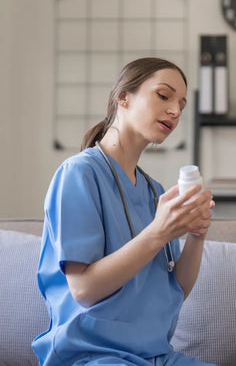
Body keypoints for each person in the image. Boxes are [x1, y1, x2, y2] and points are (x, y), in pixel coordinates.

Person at [32, 58, 216, 366]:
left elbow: (175, 291)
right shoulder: (79, 174)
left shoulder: (154, 191)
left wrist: (197, 234)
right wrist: (159, 232)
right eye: (163, 95)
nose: (175, 111)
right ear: (124, 97)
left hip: (156, 356)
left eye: (182, 105)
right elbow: (84, 289)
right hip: (92, 356)